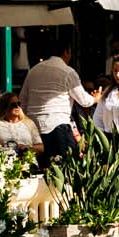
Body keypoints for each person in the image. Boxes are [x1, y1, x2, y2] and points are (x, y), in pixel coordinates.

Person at [20, 32, 93, 162]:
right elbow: (84, 101)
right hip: (57, 126)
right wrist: (96, 98)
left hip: (33, 127)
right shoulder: (68, 72)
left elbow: (23, 101)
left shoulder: (33, 71)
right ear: (67, 51)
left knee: (37, 167)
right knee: (65, 168)